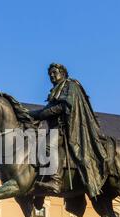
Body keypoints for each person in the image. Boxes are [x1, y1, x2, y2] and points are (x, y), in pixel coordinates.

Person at [30, 63, 108, 199]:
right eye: (50, 74)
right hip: (55, 127)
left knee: (48, 146)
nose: (52, 76)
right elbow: (47, 109)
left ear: (63, 73)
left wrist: (41, 114)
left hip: (67, 128)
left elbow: (63, 106)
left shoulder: (70, 86)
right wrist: (30, 114)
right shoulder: (56, 90)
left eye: (55, 73)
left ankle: (56, 181)